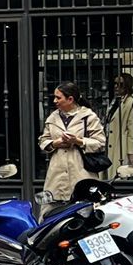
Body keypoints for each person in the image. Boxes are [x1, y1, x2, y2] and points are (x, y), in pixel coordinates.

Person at [39, 81, 108, 210]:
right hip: (56, 176)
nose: (54, 101)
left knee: (83, 212)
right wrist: (55, 143)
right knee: (50, 212)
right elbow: (43, 141)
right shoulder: (52, 118)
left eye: (58, 97)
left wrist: (78, 141)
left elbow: (100, 142)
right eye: (54, 97)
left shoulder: (88, 116)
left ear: (70, 99)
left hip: (81, 173)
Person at [106, 72, 133, 178]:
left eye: (120, 84)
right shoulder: (114, 102)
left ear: (127, 86)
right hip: (108, 147)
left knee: (119, 178)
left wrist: (131, 155)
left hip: (121, 147)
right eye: (115, 84)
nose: (117, 87)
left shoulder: (132, 103)